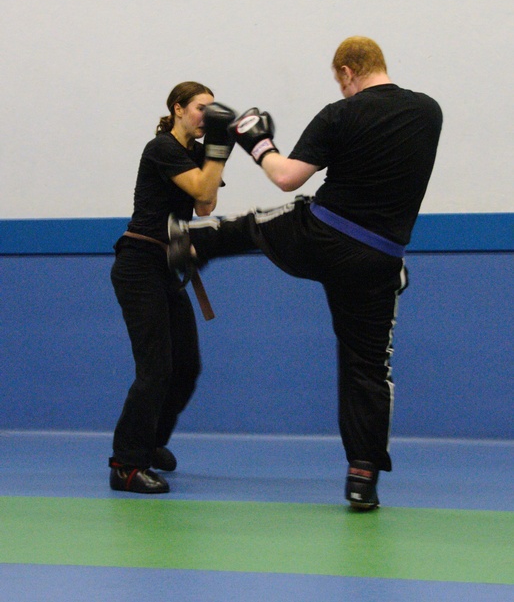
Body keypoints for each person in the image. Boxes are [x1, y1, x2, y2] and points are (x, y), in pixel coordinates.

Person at [168, 37, 443, 509]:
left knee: (258, 224)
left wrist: (257, 141)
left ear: (347, 71)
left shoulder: (340, 114)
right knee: (367, 366)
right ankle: (363, 475)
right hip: (379, 259)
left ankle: (192, 243)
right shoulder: (429, 112)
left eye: (340, 80)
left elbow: (287, 176)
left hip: (324, 235)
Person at [109, 82, 235, 493]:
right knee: (156, 369)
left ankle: (150, 442)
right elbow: (201, 189)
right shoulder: (161, 148)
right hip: (139, 263)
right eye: (201, 108)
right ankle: (125, 465)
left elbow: (205, 205)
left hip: (167, 266)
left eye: (213, 110)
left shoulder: (196, 154)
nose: (207, 116)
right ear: (178, 109)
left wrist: (216, 149)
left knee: (186, 367)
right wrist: (218, 149)